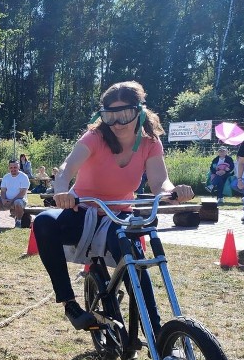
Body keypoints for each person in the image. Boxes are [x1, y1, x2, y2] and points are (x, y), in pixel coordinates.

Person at [32, 81, 194, 330]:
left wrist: (172, 191)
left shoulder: (150, 143)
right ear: (103, 116)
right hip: (81, 210)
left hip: (118, 215)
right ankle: (69, 303)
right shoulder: (95, 137)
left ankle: (156, 330)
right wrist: (62, 189)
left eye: (125, 114)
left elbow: (160, 183)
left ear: (139, 111)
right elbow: (66, 168)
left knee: (134, 262)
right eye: (110, 116)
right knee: (44, 222)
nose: (118, 123)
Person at [0, 160, 30, 228]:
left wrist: (12, 201)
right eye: (11, 167)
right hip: (6, 200)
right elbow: (3, 191)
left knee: (17, 202)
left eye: (15, 167)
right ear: (9, 168)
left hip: (20, 200)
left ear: (18, 167)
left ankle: (18, 222)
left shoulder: (24, 177)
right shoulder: (6, 177)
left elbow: (22, 193)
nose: (13, 169)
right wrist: (3, 199)